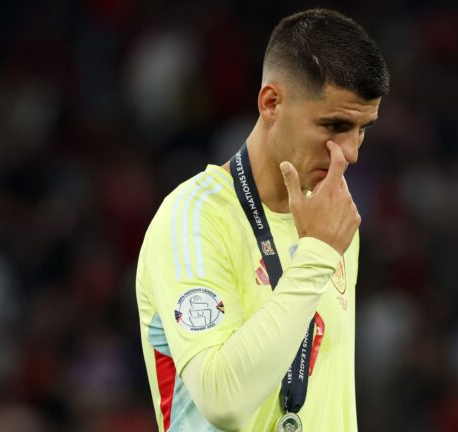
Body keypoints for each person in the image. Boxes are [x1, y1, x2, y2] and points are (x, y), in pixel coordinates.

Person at [136, 8, 389, 431]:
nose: (349, 152)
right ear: (271, 102)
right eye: (334, 125)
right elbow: (223, 400)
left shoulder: (334, 216)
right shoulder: (193, 219)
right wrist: (316, 255)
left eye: (362, 129)